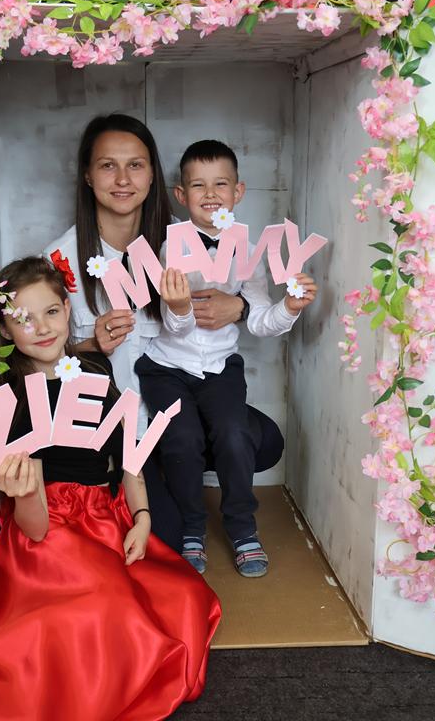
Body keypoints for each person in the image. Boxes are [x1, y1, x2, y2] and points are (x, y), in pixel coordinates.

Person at [0, 257, 221, 721]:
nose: (41, 328)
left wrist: (142, 518)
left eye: (51, 312)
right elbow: (34, 528)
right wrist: (25, 494)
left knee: (181, 596)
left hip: (104, 513)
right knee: (99, 611)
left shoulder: (95, 368)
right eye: (23, 319)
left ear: (67, 309)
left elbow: (128, 458)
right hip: (45, 531)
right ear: (5, 329)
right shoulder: (9, 396)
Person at [44, 114, 285, 551]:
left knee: (261, 441)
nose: (123, 179)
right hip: (119, 425)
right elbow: (39, 362)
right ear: (87, 174)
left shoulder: (188, 237)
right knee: (167, 540)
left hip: (179, 408)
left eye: (135, 165)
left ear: (153, 174)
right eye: (107, 165)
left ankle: (178, 464)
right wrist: (88, 345)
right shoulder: (60, 259)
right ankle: (157, 478)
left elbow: (243, 291)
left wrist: (239, 307)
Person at [135, 140, 318, 578]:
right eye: (198, 185)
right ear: (181, 195)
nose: (211, 193)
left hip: (220, 368)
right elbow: (174, 327)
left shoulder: (248, 251)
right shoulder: (169, 248)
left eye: (220, 184)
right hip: (167, 368)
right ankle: (192, 527)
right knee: (181, 439)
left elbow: (259, 320)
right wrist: (179, 307)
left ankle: (242, 528)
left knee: (235, 434)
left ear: (238, 192)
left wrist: (289, 308)